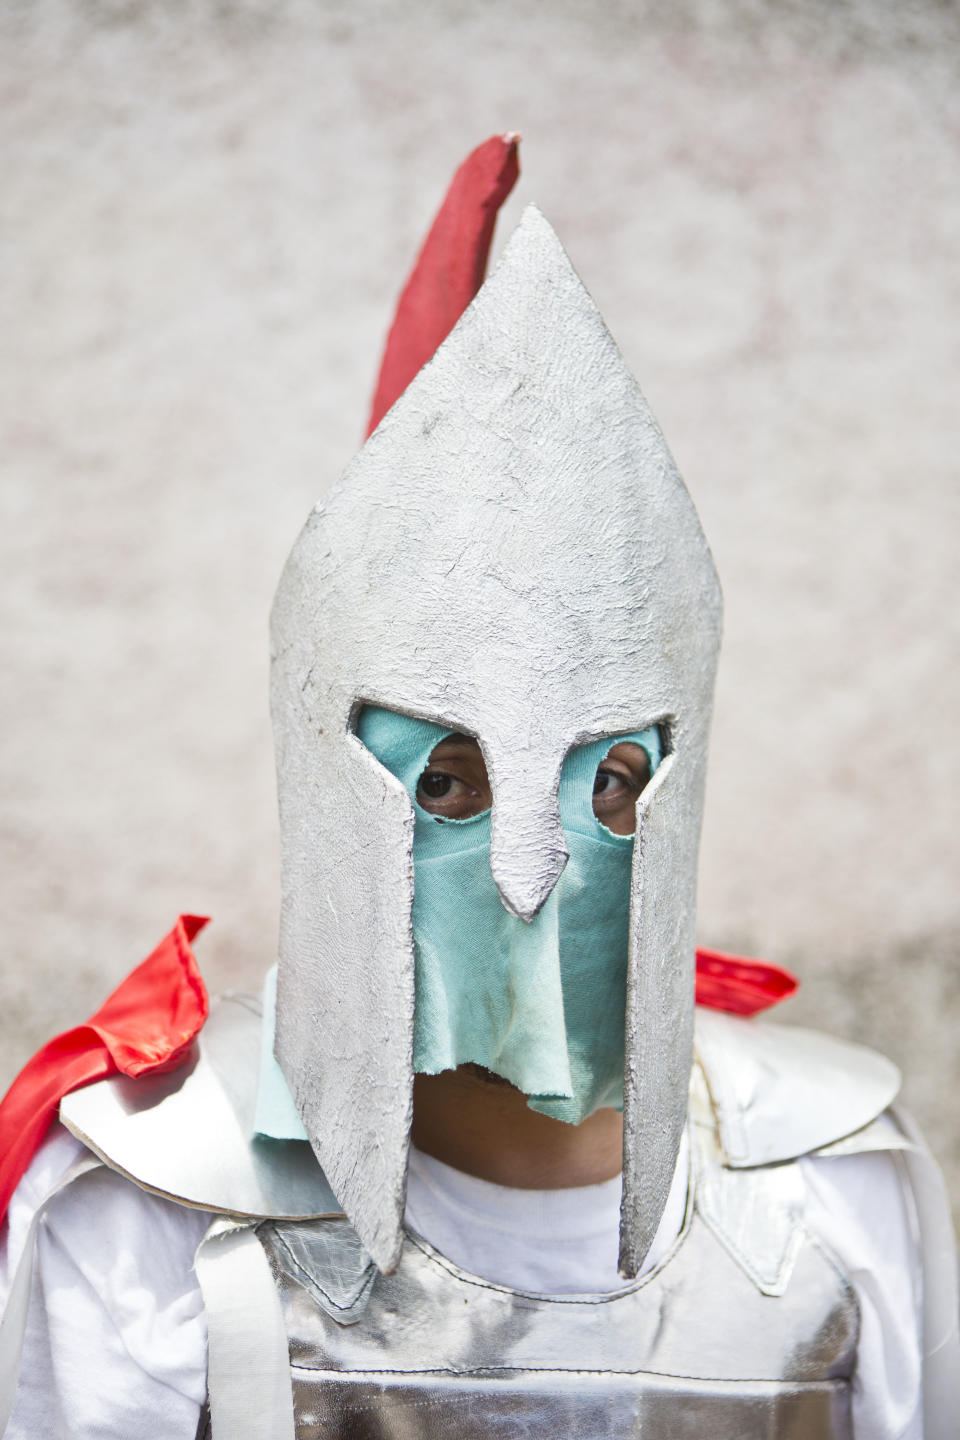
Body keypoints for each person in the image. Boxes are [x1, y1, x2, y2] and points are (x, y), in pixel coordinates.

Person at [0, 135, 957, 1440]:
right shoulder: (148, 1201)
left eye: (612, 782)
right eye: (450, 780)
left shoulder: (835, 1189)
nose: (532, 869)